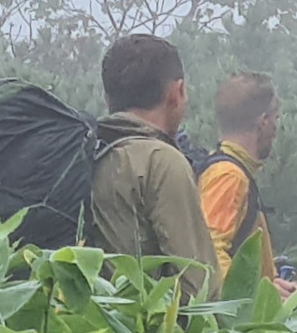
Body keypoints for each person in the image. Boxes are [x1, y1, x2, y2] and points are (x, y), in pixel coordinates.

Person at [85, 34, 216, 297]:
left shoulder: (87, 152)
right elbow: (197, 285)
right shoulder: (161, 161)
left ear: (107, 97)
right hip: (139, 321)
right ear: (177, 92)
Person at [197, 69, 292, 290]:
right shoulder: (228, 176)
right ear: (264, 122)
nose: (276, 128)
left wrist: (272, 286)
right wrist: (256, 294)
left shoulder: (226, 170)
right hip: (233, 311)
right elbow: (210, 250)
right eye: (276, 118)